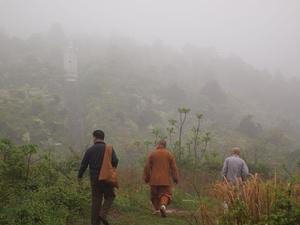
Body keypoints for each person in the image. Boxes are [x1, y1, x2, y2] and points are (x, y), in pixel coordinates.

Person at [78, 130, 119, 225]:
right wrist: (110, 169)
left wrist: (79, 176)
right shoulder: (109, 148)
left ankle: (95, 223)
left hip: (94, 179)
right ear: (103, 138)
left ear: (95, 138)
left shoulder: (90, 150)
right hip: (106, 178)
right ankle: (103, 213)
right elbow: (115, 161)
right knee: (110, 196)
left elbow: (83, 165)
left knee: (96, 200)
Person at [143, 140, 179, 217]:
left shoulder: (152, 154)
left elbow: (147, 167)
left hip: (154, 180)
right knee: (166, 195)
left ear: (158, 145)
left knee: (154, 196)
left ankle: (156, 210)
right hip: (165, 180)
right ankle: (163, 206)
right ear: (165, 146)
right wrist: (175, 178)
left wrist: (147, 178)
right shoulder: (169, 154)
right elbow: (173, 168)